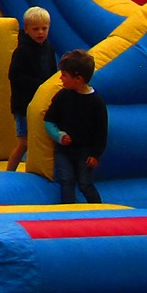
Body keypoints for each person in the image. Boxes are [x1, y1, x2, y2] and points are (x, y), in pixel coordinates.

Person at [41, 50, 106, 203]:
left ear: (78, 79)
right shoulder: (62, 96)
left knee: (85, 183)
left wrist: (96, 154)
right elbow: (48, 120)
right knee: (66, 180)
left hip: (85, 151)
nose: (61, 78)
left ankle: (99, 208)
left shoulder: (96, 102)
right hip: (64, 151)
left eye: (64, 75)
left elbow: (101, 131)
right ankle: (68, 209)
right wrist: (59, 136)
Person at [5, 7, 59, 171]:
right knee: (25, 142)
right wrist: (40, 85)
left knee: (39, 141)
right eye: (36, 29)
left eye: (44, 28)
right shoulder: (22, 50)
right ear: (27, 29)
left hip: (41, 102)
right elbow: (14, 75)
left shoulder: (48, 48)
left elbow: (53, 71)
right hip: (24, 104)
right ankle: (9, 172)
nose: (40, 32)